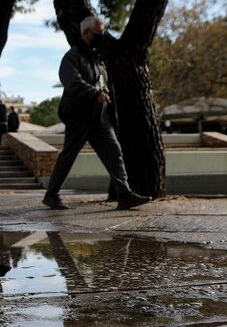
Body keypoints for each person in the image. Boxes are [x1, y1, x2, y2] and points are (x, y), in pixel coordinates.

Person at [42, 15, 151, 210]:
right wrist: (94, 94)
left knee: (114, 152)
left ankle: (124, 194)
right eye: (99, 33)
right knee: (69, 155)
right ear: (86, 33)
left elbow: (105, 85)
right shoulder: (72, 57)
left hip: (100, 118)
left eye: (104, 32)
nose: (103, 36)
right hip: (79, 116)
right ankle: (51, 195)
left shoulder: (98, 59)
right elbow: (72, 82)